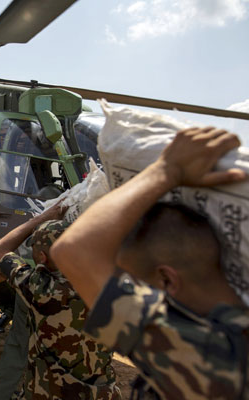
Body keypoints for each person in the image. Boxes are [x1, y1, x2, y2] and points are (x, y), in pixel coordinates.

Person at [51, 126, 249, 399]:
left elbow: (75, 252)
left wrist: (166, 169)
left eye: (134, 283)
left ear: (166, 281)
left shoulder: (218, 355)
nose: (131, 290)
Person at [0, 203, 120, 399]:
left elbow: (0, 249)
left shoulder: (40, 288)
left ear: (42, 257)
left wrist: (40, 219)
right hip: (99, 393)